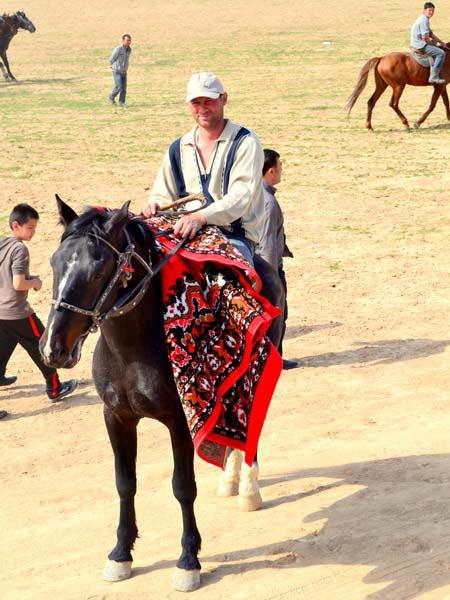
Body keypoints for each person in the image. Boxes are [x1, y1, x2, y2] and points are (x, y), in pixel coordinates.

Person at [142, 71, 266, 267]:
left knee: (229, 290)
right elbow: (163, 194)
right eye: (196, 103)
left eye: (208, 101)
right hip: (183, 235)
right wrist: (154, 205)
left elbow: (241, 196)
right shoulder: (178, 148)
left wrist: (201, 217)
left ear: (223, 99)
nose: (202, 109)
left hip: (232, 236)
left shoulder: (245, 142)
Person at [0, 203, 78, 419]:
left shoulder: (2, 244)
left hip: (0, 311)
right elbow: (18, 284)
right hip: (18, 312)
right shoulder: (20, 249)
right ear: (16, 225)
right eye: (30, 227)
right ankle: (55, 388)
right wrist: (35, 282)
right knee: (43, 346)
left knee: (3, 347)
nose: (33, 232)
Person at [256, 149, 297, 371]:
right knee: (278, 313)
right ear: (270, 171)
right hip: (270, 268)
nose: (281, 171)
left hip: (258, 265)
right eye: (280, 167)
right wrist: (271, 280)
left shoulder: (252, 194)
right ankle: (274, 360)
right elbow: (268, 244)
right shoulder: (269, 202)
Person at [410, 2, 446, 84]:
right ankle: (433, 77)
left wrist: (441, 42)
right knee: (441, 53)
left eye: (433, 11)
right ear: (424, 10)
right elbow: (425, 38)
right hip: (420, 45)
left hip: (417, 43)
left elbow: (430, 34)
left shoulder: (423, 18)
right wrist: (433, 44)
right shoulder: (424, 20)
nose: (431, 12)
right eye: (430, 10)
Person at [108, 34, 132, 108]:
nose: (129, 42)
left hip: (124, 71)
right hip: (117, 71)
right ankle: (111, 97)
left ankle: (122, 102)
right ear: (123, 40)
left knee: (124, 88)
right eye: (127, 40)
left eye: (130, 40)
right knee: (118, 86)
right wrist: (113, 66)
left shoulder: (129, 50)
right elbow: (112, 58)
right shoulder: (118, 49)